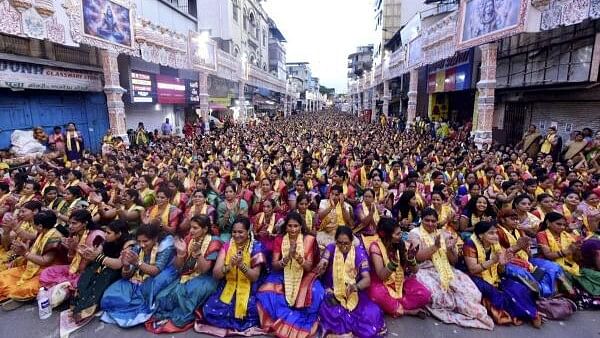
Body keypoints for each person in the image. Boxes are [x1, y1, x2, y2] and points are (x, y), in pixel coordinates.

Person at [408, 208, 494, 330]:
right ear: (422, 220)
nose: (430, 224)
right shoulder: (415, 233)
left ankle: (468, 309)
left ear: (437, 221)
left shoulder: (444, 234)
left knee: (472, 294)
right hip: (424, 270)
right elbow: (418, 257)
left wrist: (449, 249)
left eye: (433, 221)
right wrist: (435, 247)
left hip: (446, 269)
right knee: (441, 298)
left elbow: (453, 261)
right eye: (427, 220)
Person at [149, 215, 222, 333]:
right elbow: (178, 266)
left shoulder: (214, 242)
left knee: (187, 296)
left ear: (205, 229)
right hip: (187, 274)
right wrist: (180, 253)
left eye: (195, 228)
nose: (191, 231)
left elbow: (204, 270)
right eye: (190, 228)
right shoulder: (189, 239)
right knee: (162, 297)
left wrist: (198, 253)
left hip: (206, 277)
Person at [256, 212, 324, 338]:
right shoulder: (280, 239)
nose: (293, 229)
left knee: (317, 292)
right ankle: (283, 320)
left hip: (303, 274)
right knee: (266, 293)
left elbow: (309, 266)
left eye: (296, 226)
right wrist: (287, 258)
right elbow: (275, 264)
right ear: (285, 227)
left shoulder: (308, 239)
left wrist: (297, 256)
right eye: (290, 226)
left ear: (301, 227)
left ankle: (296, 320)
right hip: (281, 272)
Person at [463, 221, 541, 327]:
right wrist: (493, 261)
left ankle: (530, 312)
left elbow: (499, 269)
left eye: (496, 233)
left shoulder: (495, 245)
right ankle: (529, 314)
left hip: (494, 277)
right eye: (491, 233)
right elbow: (472, 269)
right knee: (497, 296)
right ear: (481, 235)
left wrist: (502, 265)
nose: (495, 236)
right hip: (474, 277)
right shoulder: (470, 244)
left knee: (519, 288)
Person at [198, 217, 266, 336]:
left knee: (253, 312)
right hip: (229, 285)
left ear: (248, 232)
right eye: (234, 232)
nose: (237, 235)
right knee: (209, 309)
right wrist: (230, 266)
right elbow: (216, 274)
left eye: (241, 232)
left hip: (249, 287)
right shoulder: (227, 246)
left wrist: (241, 265)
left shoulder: (256, 246)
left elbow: (255, 276)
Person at [100, 223, 176, 327]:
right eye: (139, 241)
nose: (142, 245)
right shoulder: (137, 248)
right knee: (108, 297)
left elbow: (155, 271)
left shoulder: (165, 248)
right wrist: (126, 266)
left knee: (142, 298)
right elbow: (126, 276)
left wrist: (137, 263)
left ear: (155, 239)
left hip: (154, 279)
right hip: (135, 280)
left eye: (145, 241)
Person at [316, 226, 386, 338]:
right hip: (332, 289)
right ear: (335, 241)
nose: (343, 246)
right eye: (340, 243)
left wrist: (355, 287)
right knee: (328, 309)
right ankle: (346, 333)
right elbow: (324, 260)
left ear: (352, 241)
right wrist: (322, 264)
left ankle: (345, 333)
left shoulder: (359, 253)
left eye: (346, 243)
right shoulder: (331, 248)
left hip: (354, 292)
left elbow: (367, 280)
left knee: (372, 312)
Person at [68, 220, 132, 324]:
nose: (105, 235)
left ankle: (87, 309)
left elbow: (118, 264)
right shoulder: (106, 240)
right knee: (88, 274)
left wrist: (97, 257)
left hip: (116, 271)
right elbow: (96, 254)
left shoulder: (128, 244)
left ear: (119, 234)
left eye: (108, 233)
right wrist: (83, 251)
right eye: (105, 232)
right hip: (104, 265)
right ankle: (77, 305)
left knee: (101, 279)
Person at [367, 217, 431, 317]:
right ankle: (407, 311)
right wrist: (392, 264)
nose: (400, 236)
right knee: (377, 294)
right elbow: (382, 276)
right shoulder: (375, 247)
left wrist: (411, 258)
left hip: (400, 280)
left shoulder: (400, 244)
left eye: (400, 232)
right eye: (397, 234)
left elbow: (415, 270)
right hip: (381, 283)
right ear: (386, 235)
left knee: (424, 295)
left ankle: (394, 306)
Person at [0, 210, 63, 311]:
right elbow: (28, 237)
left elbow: (45, 261)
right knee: (3, 276)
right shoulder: (44, 232)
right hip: (33, 266)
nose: (32, 225)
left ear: (40, 226)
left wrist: (25, 253)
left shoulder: (54, 238)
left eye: (34, 223)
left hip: (47, 272)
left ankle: (19, 297)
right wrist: (14, 227)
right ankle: (15, 296)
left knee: (23, 289)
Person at [39, 210, 105, 293]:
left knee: (73, 285)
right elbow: (71, 262)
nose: (70, 226)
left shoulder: (96, 235)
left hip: (90, 271)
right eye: (70, 223)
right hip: (75, 269)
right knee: (46, 273)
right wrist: (71, 249)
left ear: (85, 223)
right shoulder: (76, 234)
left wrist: (76, 248)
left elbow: (89, 262)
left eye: (74, 223)